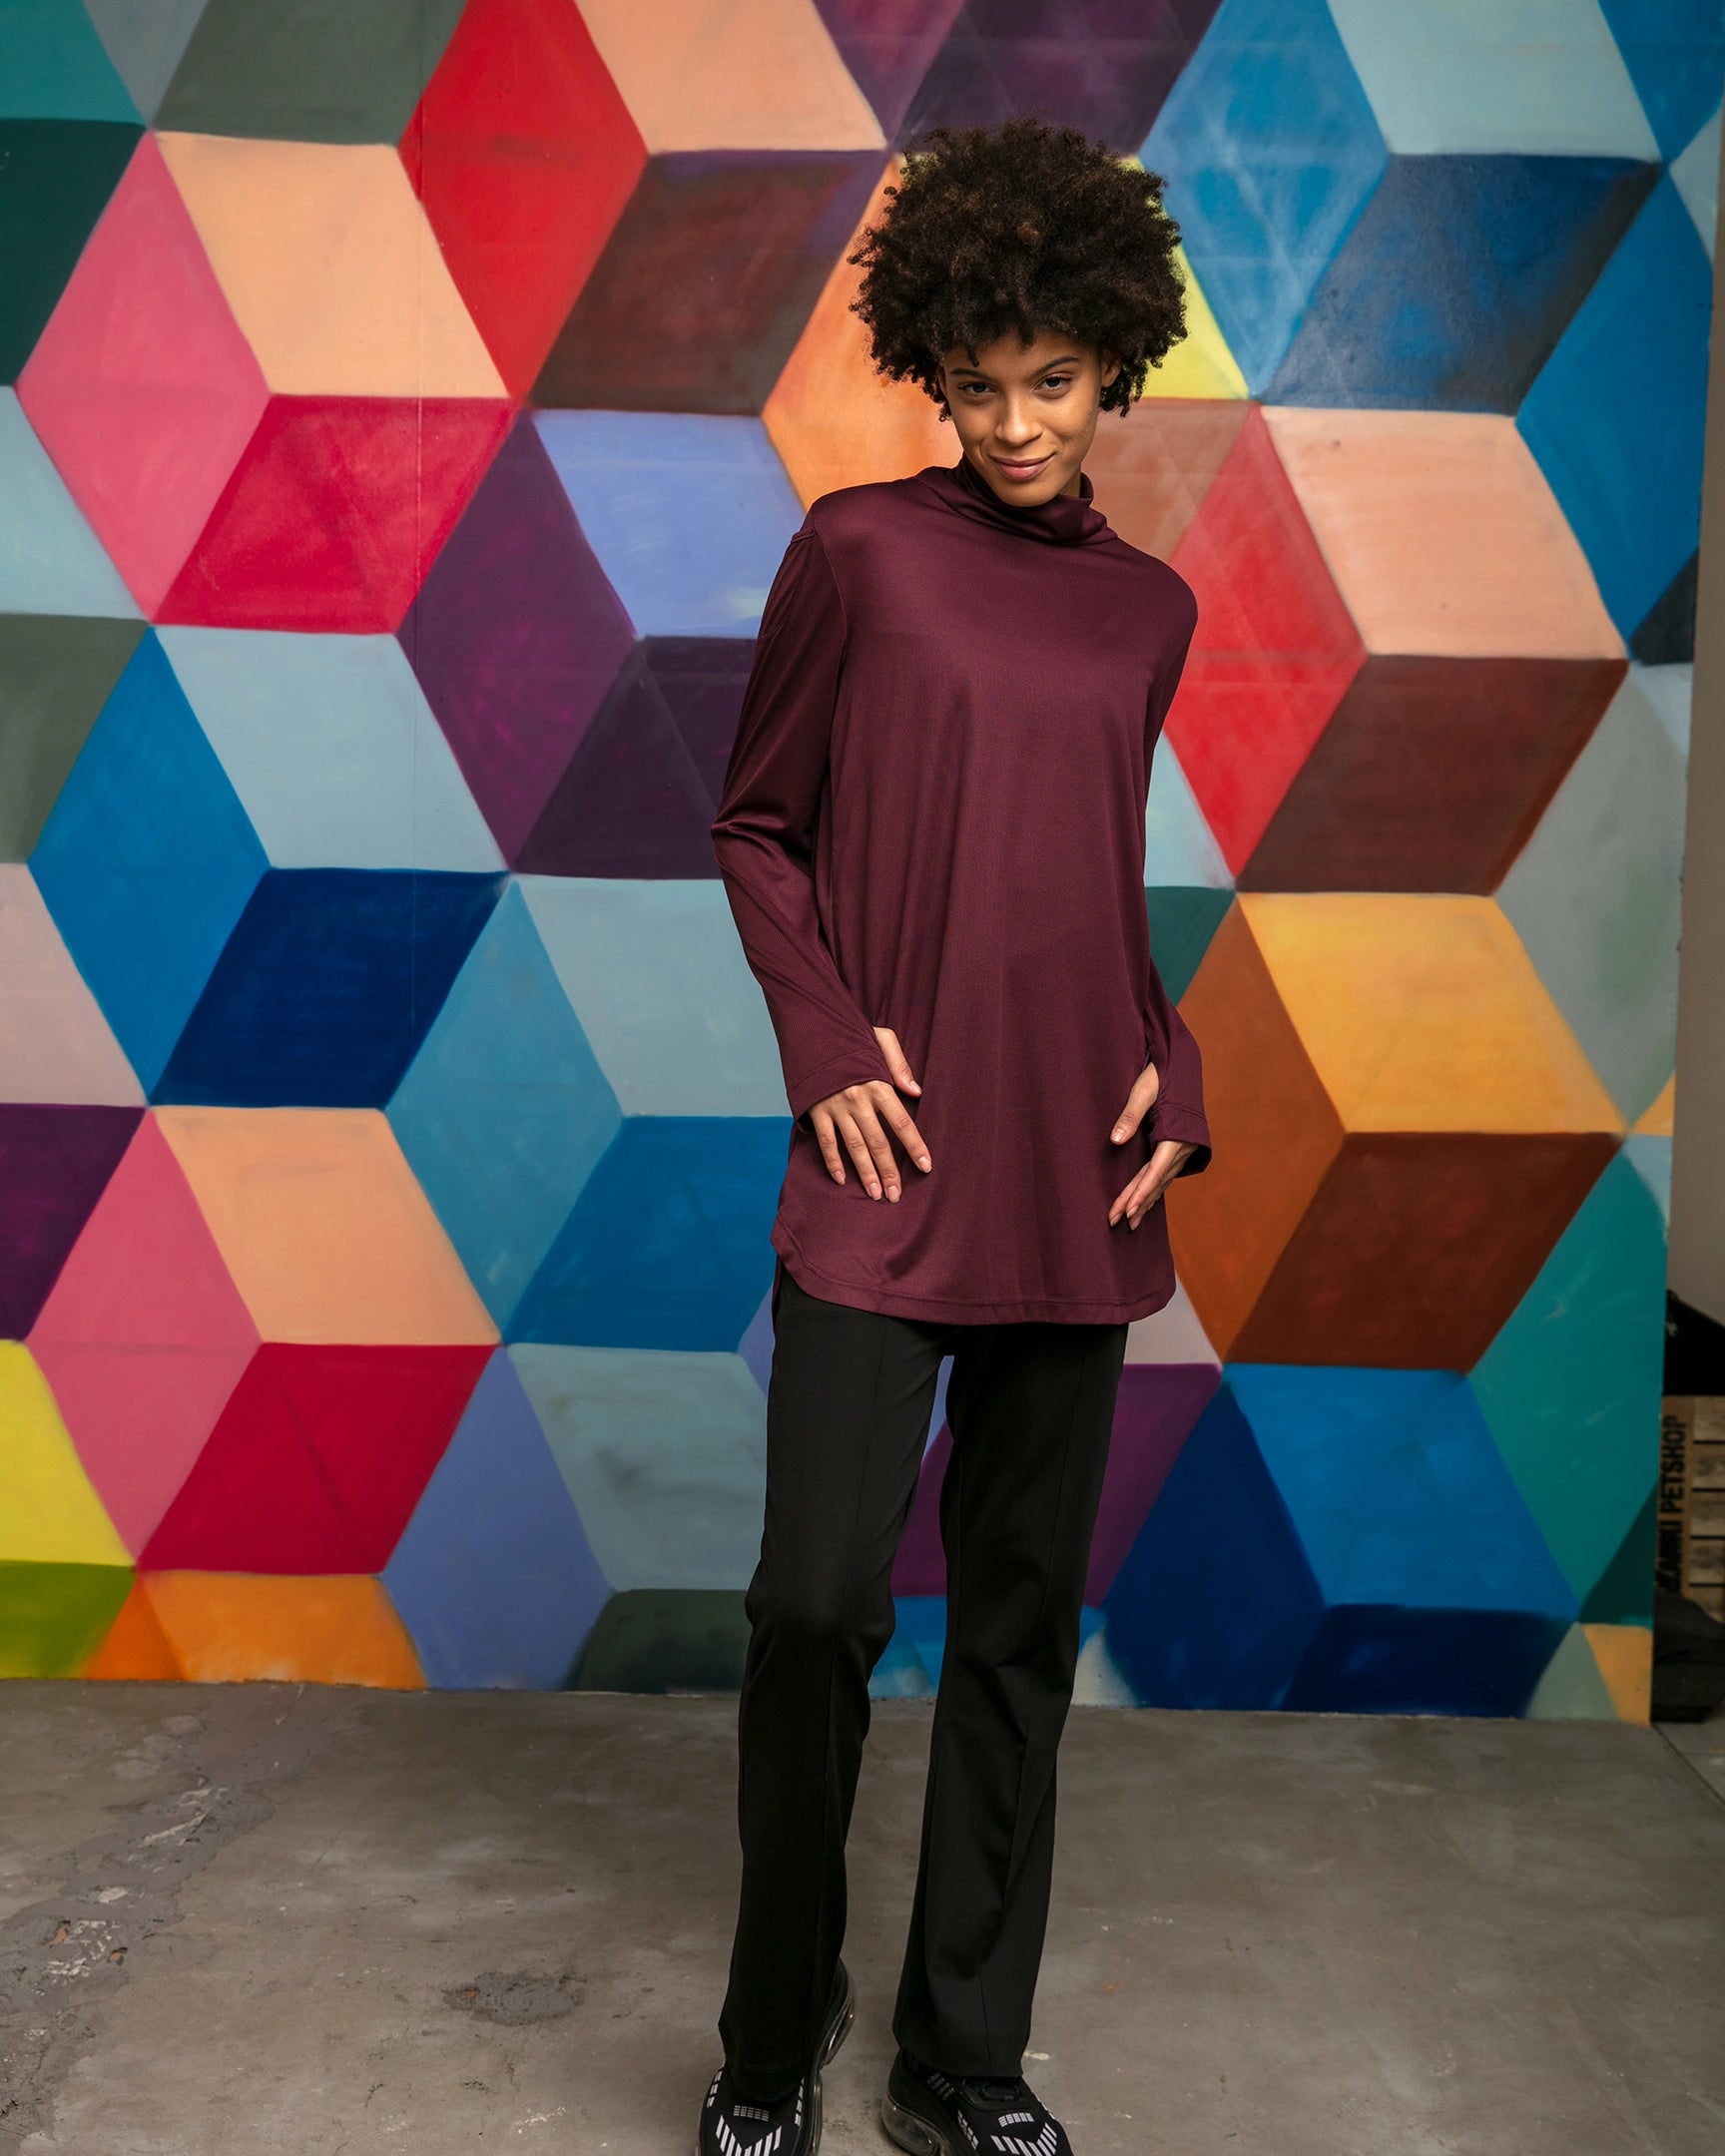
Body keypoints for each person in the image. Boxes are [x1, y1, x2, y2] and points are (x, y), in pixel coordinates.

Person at [695, 114, 1211, 2156]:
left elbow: (1084, 882)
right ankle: (772, 2032)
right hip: (887, 1165)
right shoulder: (858, 553)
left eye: (1052, 381)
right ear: (934, 365)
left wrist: (1178, 1063)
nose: (1011, 423)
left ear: (1114, 364)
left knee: (1015, 1635)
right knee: (816, 1600)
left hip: (1077, 1173)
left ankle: (963, 2059)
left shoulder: (1151, 612)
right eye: (978, 383)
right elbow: (758, 825)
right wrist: (825, 1045)